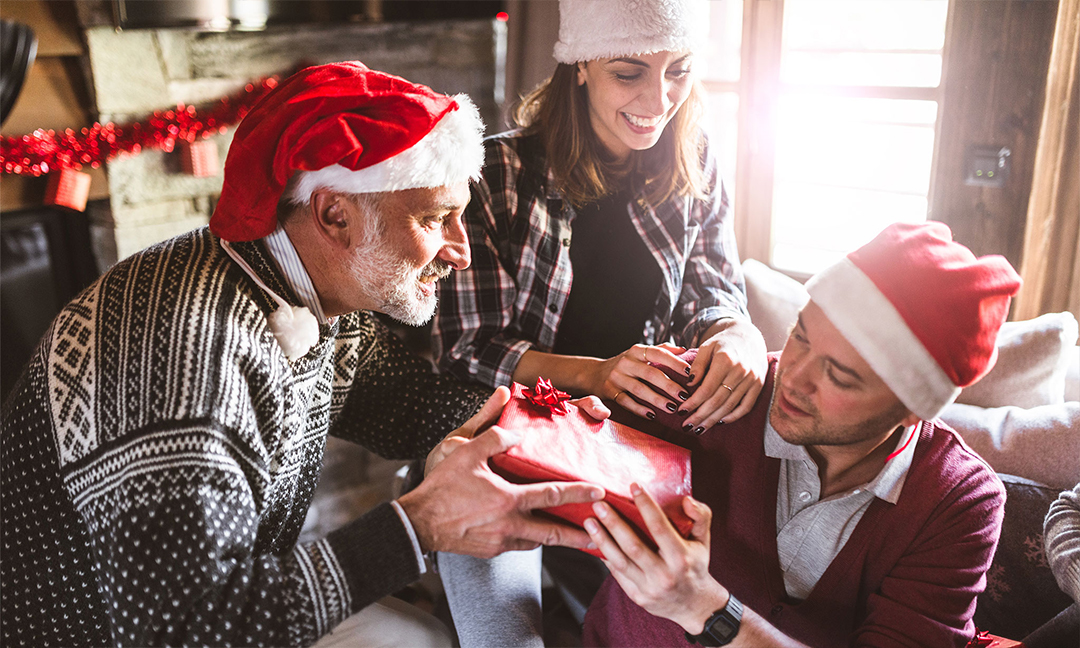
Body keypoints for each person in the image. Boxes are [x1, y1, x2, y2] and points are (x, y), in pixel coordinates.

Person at [0, 62, 612, 648]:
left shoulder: (293, 282)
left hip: (228, 596)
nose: (460, 251)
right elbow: (184, 631)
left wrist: (537, 429)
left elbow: (396, 396)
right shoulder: (192, 359)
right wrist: (421, 524)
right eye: (436, 218)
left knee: (424, 639)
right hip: (106, 632)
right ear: (335, 213)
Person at [431, 1, 767, 643]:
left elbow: (713, 289)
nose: (659, 97)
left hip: (642, 451)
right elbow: (467, 348)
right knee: (505, 634)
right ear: (580, 64)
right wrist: (598, 374)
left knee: (676, 616)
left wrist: (736, 333)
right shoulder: (495, 174)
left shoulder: (693, 156)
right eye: (629, 72)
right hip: (512, 447)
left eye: (680, 69)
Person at [583, 222, 1021, 647]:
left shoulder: (957, 501)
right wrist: (571, 418)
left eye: (840, 377)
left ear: (911, 411)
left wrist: (706, 609)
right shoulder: (724, 384)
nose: (793, 378)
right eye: (802, 337)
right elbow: (559, 449)